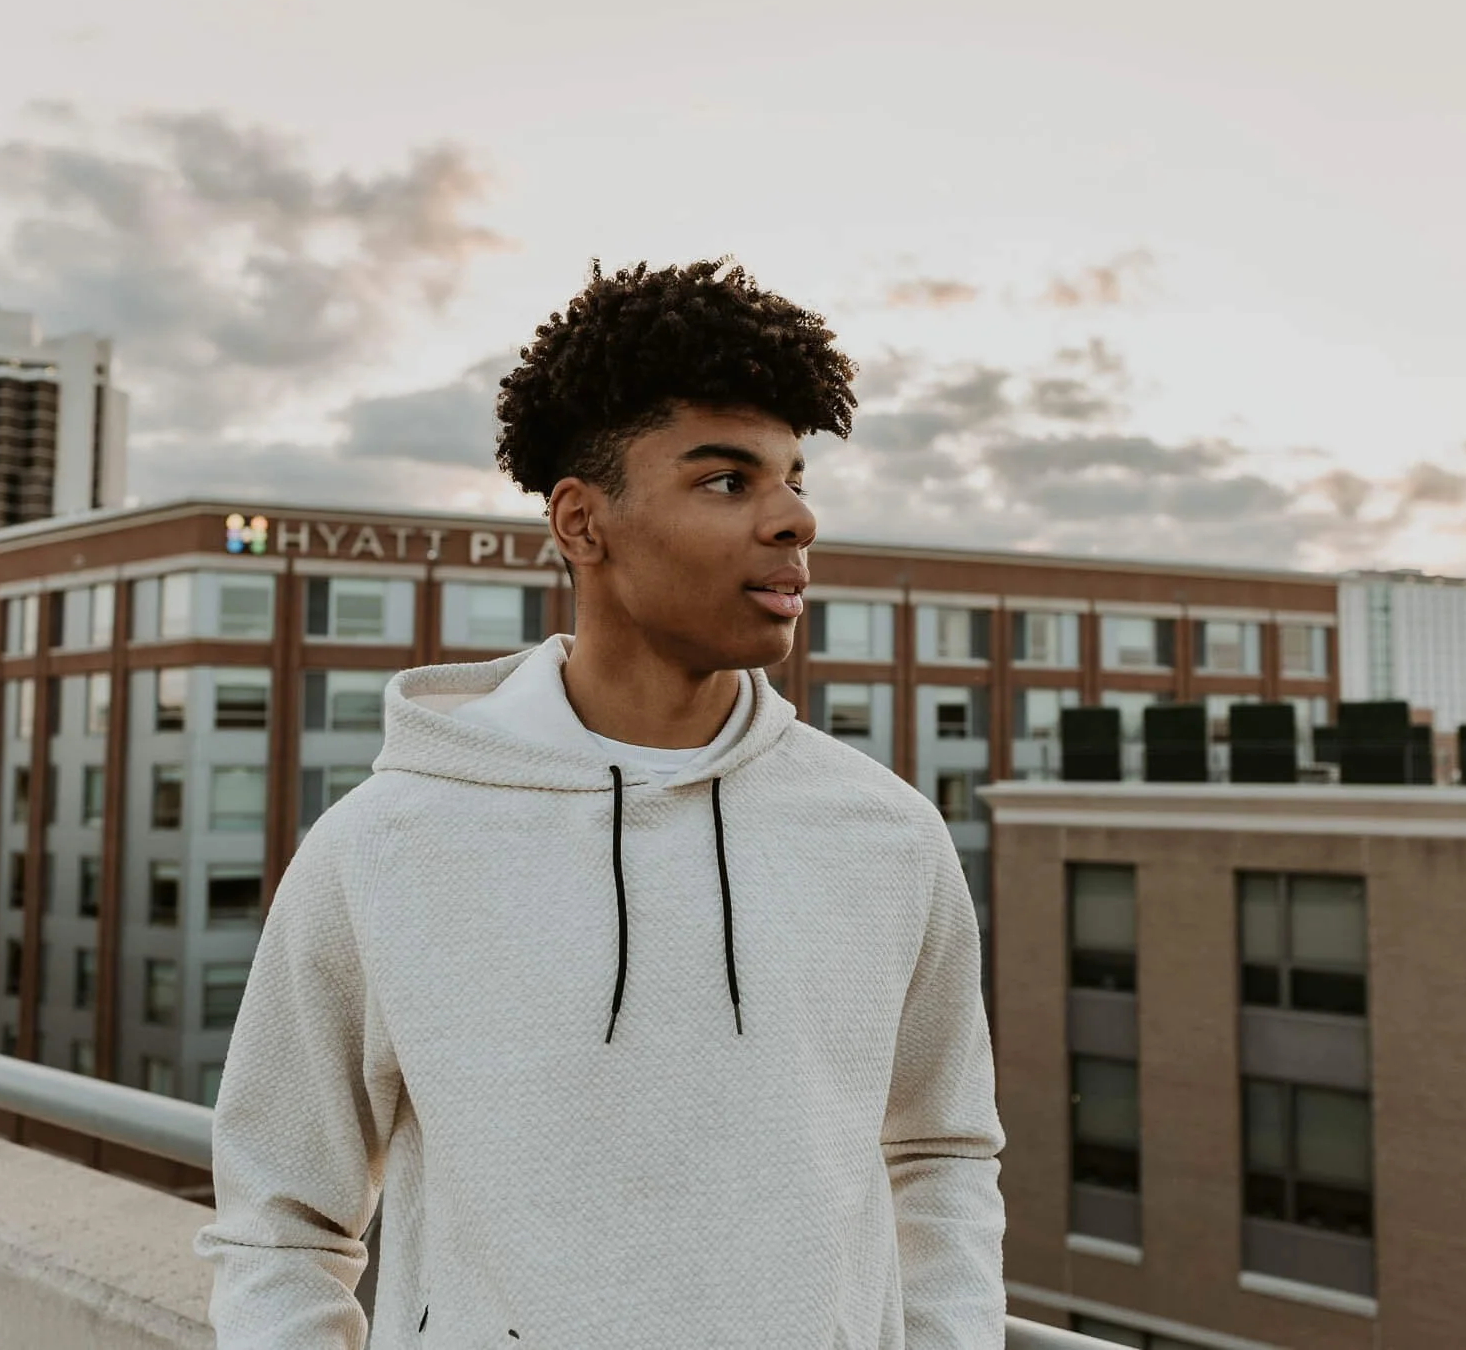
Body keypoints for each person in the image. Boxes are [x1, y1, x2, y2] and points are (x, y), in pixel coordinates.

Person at [194, 259, 1006, 1348]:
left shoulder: (888, 835)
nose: (794, 519)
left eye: (794, 476)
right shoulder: (383, 846)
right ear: (582, 523)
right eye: (726, 480)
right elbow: (278, 1219)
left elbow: (942, 1153)